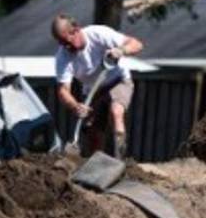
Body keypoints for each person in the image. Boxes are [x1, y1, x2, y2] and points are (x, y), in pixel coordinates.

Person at [51, 14, 144, 157]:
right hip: (93, 91)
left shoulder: (98, 33)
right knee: (93, 132)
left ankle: (120, 159)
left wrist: (121, 50)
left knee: (116, 112)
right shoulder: (62, 57)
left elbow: (137, 44)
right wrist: (75, 106)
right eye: (61, 44)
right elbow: (63, 91)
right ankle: (95, 166)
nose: (66, 47)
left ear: (76, 30)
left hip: (118, 80)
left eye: (67, 42)